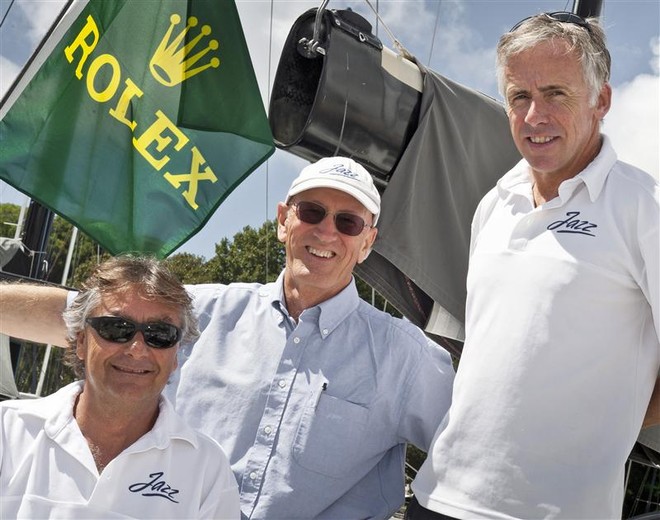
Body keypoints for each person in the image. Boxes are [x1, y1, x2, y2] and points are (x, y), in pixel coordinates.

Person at [0, 157, 456, 519]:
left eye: (348, 222)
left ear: (368, 242)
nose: (326, 231)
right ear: (283, 221)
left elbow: (471, 458)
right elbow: (79, 316)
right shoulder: (200, 312)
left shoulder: (408, 359)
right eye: (312, 212)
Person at [407, 12, 660, 520]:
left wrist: (614, 415)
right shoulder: (493, 205)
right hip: (437, 498)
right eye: (519, 97)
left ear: (601, 101)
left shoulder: (643, 207)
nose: (532, 115)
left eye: (555, 94)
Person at [0, 256, 240, 519]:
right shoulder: (8, 430)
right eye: (116, 328)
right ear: (80, 342)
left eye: (160, 334)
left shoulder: (208, 470)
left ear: (176, 356)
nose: (137, 349)